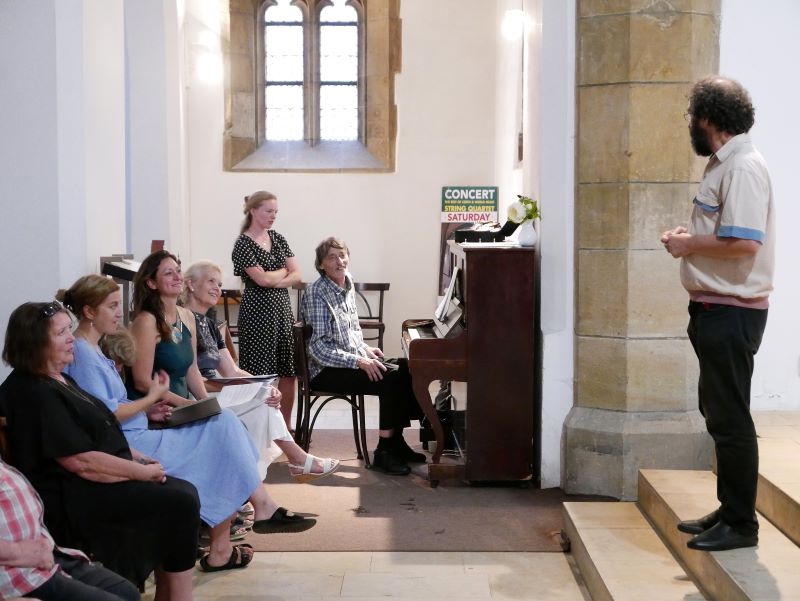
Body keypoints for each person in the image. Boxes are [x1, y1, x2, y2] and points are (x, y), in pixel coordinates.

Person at [60, 274, 295, 572]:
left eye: (119, 305)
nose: (120, 313)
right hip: (128, 445)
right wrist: (149, 400)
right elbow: (103, 416)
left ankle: (249, 517)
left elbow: (106, 405)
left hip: (138, 430)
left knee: (223, 423)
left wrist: (148, 411)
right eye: (112, 306)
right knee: (222, 434)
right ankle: (253, 514)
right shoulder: (83, 352)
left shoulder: (93, 348)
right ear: (89, 311)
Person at [0, 301, 200, 601]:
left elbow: (99, 431)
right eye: (61, 333)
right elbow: (80, 461)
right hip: (70, 494)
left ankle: (169, 594)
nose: (72, 338)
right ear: (34, 342)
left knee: (183, 492)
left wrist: (138, 457)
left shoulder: (60, 378)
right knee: (178, 501)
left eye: (69, 330)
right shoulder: (31, 391)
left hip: (90, 479)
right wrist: (141, 472)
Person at [127, 254, 316, 541]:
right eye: (168, 273)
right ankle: (256, 507)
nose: (177, 277)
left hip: (183, 407)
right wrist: (190, 405)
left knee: (227, 418)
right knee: (227, 423)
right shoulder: (146, 321)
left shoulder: (186, 317)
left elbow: (191, 370)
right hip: (157, 411)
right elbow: (142, 381)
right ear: (151, 283)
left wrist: (205, 405)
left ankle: (250, 510)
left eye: (178, 271)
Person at [661, 76, 774, 552]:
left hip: (731, 312)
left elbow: (745, 242)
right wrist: (691, 236)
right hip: (714, 307)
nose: (690, 123)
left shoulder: (743, 167)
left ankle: (741, 525)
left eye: (692, 115)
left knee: (731, 421)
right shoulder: (723, 162)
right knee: (718, 414)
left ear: (707, 118)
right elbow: (726, 230)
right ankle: (729, 510)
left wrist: (688, 244)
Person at [182, 261, 339, 482]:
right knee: (262, 405)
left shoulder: (210, 324)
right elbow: (191, 376)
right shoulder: (183, 320)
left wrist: (266, 385)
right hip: (196, 396)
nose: (217, 288)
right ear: (190, 284)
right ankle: (291, 462)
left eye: (219, 284)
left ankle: (257, 477)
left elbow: (232, 371)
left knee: (265, 400)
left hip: (214, 390)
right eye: (211, 281)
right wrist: (244, 388)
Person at [300, 237, 426, 476]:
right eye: (331, 257)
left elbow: (351, 330)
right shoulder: (317, 293)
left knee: (408, 367)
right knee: (390, 379)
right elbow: (318, 349)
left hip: (346, 360)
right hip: (324, 371)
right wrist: (358, 360)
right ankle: (384, 451)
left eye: (342, 255)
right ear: (321, 265)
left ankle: (396, 441)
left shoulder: (347, 282)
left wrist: (365, 349)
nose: (339, 261)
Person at [0, 459, 140, 601]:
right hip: (17, 575)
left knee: (128, 593)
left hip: (47, 556)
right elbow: (82, 463)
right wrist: (19, 551)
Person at [232, 190, 301, 426]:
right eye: (268, 211)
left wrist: (274, 279)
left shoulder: (278, 238)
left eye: (275, 212)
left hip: (282, 312)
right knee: (259, 373)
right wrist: (283, 271)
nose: (273, 216)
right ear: (253, 210)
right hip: (257, 314)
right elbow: (261, 280)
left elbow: (297, 274)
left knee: (288, 372)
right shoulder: (243, 244)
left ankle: (286, 427)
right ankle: (260, 426)